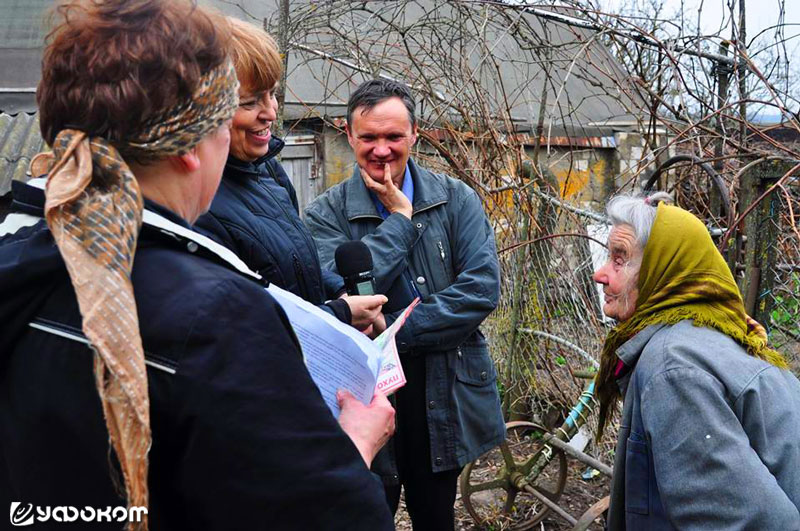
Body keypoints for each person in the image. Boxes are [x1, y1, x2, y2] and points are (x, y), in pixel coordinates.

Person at [0, 2, 394, 529]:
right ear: (191, 146)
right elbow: (332, 516)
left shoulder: (20, 254)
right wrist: (351, 446)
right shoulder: (217, 317)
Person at [305, 79, 505, 530]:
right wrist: (400, 220)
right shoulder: (324, 214)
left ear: (415, 133)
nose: (381, 150)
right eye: (369, 138)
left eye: (393, 137)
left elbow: (479, 289)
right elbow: (345, 290)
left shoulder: (456, 200)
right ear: (348, 135)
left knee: (435, 514)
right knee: (368, 512)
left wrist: (392, 328)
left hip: (443, 390)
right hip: (365, 396)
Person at [592, 193, 800, 530]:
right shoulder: (705, 335)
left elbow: (746, 523)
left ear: (665, 269)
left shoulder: (673, 369)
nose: (600, 274)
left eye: (620, 259)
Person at [193, 18, 385, 334]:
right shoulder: (197, 204)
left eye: (272, 94)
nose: (270, 111)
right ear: (203, 110)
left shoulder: (267, 169)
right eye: (250, 102)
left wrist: (336, 289)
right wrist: (336, 315)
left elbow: (292, 265)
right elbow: (238, 328)